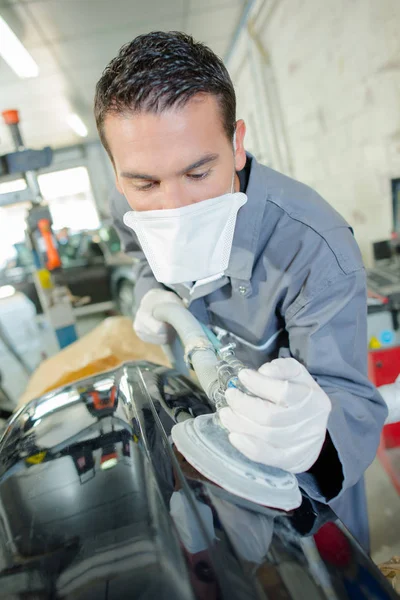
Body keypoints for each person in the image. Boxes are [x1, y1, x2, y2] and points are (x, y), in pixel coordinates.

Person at [94, 31, 387, 552]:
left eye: (198, 172)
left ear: (236, 143)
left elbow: (353, 401)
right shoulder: (130, 207)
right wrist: (151, 294)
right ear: (117, 175)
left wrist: (314, 443)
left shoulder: (316, 246)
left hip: (300, 493)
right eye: (145, 185)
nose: (173, 208)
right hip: (205, 441)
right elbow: (139, 255)